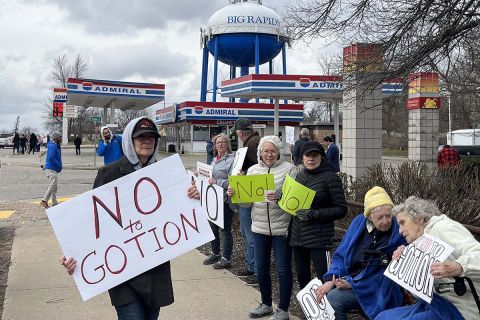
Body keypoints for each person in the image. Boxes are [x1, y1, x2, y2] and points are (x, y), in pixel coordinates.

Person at [61, 117, 200, 320]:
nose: (147, 140)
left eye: (151, 136)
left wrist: (193, 197)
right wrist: (72, 253)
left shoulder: (166, 176)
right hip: (123, 273)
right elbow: (91, 222)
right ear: (129, 140)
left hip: (155, 271)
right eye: (140, 136)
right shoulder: (109, 173)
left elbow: (180, 212)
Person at [376, 196, 480, 320]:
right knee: (382, 317)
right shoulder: (420, 242)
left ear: (419, 218)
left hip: (460, 308)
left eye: (402, 223)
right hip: (434, 303)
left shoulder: (443, 227)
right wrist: (405, 263)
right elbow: (419, 293)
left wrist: (459, 267)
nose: (400, 230)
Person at [314, 186, 407, 320]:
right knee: (326, 296)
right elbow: (341, 254)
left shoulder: (398, 230)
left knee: (334, 298)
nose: (386, 220)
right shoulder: (359, 222)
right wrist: (331, 280)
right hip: (353, 280)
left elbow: (384, 270)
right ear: (369, 216)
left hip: (378, 287)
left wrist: (351, 283)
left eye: (388, 215)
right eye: (380, 217)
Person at [232, 136, 297, 320]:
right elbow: (245, 204)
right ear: (260, 152)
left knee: (283, 269)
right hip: (259, 227)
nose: (269, 154)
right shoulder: (252, 170)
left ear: (279, 152)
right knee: (261, 268)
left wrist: (281, 196)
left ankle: (283, 309)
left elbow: (295, 200)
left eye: (273, 151)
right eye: (266, 151)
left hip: (282, 228)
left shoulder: (289, 169)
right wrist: (235, 192)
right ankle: (266, 304)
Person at [288, 141, 348, 292]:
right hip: (298, 236)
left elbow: (341, 209)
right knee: (302, 277)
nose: (311, 159)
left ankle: (327, 312)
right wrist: (283, 198)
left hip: (319, 238)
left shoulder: (330, 178)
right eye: (307, 155)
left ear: (321, 157)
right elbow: (294, 205)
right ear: (302, 158)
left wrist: (315, 214)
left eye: (315, 155)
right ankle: (308, 310)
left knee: (324, 278)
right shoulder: (300, 177)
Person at [201, 133, 236, 270]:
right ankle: (215, 253)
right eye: (218, 142)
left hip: (225, 199)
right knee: (212, 227)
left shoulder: (232, 160)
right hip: (213, 199)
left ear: (228, 144)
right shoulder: (214, 160)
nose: (220, 144)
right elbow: (210, 176)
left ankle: (226, 258)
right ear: (215, 146)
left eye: (223, 142)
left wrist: (218, 181)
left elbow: (233, 182)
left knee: (224, 229)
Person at [234, 118, 261, 283]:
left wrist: (245, 174)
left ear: (240, 133)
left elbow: (260, 168)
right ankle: (252, 267)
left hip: (250, 192)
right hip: (248, 191)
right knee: (247, 233)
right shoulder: (254, 141)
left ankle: (256, 271)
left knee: (250, 234)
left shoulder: (252, 144)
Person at [40, 132, 62, 209]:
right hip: (51, 169)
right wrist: (59, 166)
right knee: (53, 185)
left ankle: (54, 203)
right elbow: (51, 158)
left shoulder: (54, 145)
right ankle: (44, 201)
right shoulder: (53, 146)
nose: (61, 138)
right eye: (60, 137)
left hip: (52, 169)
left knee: (54, 187)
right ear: (55, 138)